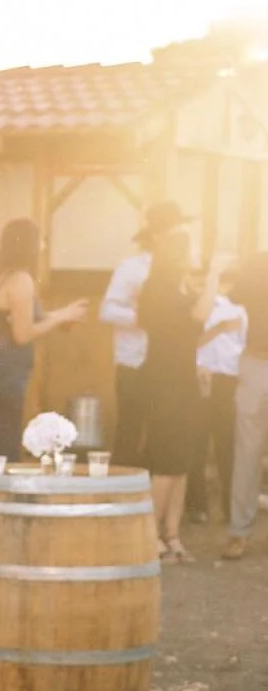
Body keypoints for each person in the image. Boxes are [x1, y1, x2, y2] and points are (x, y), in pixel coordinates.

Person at [0, 219, 87, 462]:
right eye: (39, 240)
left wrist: (64, 314)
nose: (42, 246)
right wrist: (62, 317)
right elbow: (23, 334)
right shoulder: (21, 280)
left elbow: (23, 319)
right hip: (4, 372)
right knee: (3, 444)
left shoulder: (0, 277)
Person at [137, 230, 224, 561]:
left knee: (182, 461)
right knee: (166, 461)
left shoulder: (177, 285)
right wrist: (215, 273)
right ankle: (150, 536)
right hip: (163, 382)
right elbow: (199, 316)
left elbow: (190, 331)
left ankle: (171, 535)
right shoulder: (159, 285)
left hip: (182, 379)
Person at [99, 202, 190, 466]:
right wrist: (144, 319)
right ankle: (119, 499)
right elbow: (107, 310)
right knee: (130, 430)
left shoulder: (181, 272)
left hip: (169, 365)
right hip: (135, 362)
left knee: (163, 434)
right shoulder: (132, 267)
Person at [186, 286, 245, 523]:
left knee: (227, 446)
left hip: (228, 380)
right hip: (196, 377)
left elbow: (245, 344)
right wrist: (219, 329)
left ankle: (232, 508)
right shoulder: (190, 308)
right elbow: (189, 343)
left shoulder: (238, 310)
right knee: (195, 445)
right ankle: (197, 506)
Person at [223, 250, 268, 559]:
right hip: (256, 362)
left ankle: (240, 531)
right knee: (247, 452)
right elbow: (234, 294)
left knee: (248, 451)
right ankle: (239, 530)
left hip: (255, 365)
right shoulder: (259, 262)